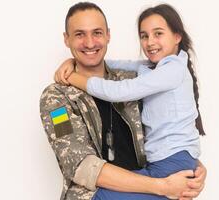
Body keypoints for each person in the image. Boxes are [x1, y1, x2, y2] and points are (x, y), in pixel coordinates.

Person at [41, 2, 206, 200]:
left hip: (150, 187)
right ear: (66, 39)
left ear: (108, 35)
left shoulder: (132, 80)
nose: (90, 42)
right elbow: (80, 165)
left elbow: (166, 124)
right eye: (79, 34)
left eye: (97, 33)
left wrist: (194, 168)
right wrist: (162, 186)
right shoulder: (56, 100)